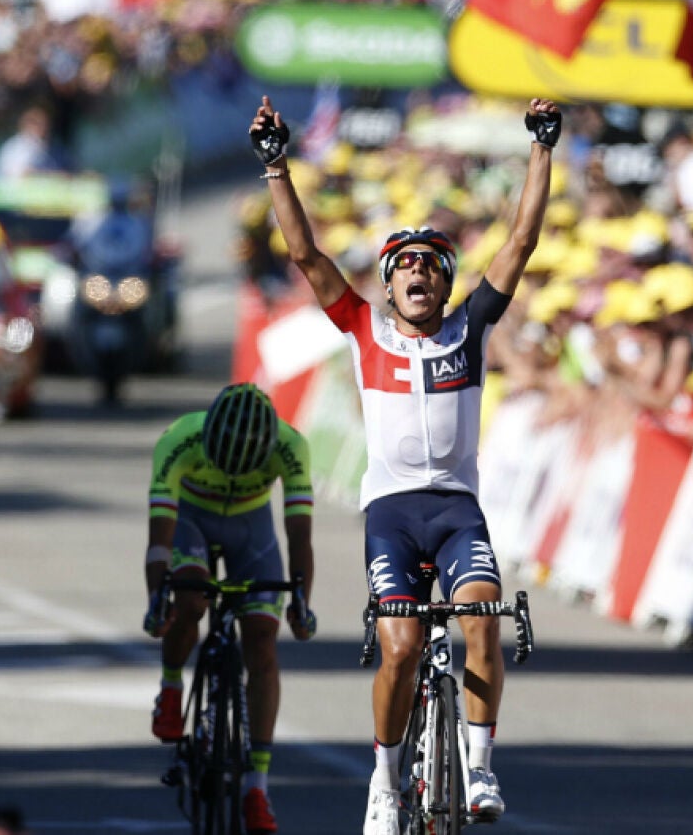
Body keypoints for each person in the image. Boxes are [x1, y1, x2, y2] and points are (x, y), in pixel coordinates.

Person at [250, 94, 555, 834]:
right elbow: (305, 256)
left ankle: (479, 765)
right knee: (403, 643)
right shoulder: (362, 329)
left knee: (481, 615)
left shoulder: (471, 329)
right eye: (405, 264)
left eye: (432, 264)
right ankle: (385, 782)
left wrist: (542, 149)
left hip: (455, 509)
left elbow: (518, 242)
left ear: (446, 285)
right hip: (392, 513)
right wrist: (277, 167)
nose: (419, 271)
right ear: (388, 285)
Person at [144, 383, 315, 835]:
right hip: (190, 520)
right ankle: (171, 686)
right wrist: (156, 599)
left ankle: (256, 787)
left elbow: (299, 534)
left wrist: (301, 599)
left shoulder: (291, 445)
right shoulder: (179, 439)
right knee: (190, 597)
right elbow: (159, 541)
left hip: (251, 527)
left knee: (262, 640)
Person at [0, 105, 61, 179]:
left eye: (44, 125)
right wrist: (50, 174)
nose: (43, 128)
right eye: (37, 124)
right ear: (26, 124)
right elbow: (20, 174)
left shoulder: (47, 146)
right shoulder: (14, 147)